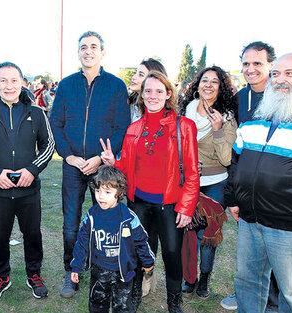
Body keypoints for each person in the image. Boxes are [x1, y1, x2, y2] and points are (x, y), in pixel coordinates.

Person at [225, 52, 292, 313]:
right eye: (277, 73)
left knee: (291, 293)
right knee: (247, 282)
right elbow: (238, 159)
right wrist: (234, 198)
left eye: (290, 73)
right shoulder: (257, 114)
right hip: (250, 220)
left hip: (291, 224)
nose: (280, 80)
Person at [100, 71, 199, 313]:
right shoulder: (134, 128)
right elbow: (127, 168)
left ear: (168, 94)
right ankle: (134, 295)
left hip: (171, 204)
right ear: (141, 96)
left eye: (158, 91)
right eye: (147, 91)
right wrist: (114, 162)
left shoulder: (184, 126)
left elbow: (193, 172)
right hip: (139, 203)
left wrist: (186, 207)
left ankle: (174, 302)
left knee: (172, 255)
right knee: (136, 253)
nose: (152, 95)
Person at [50, 30, 130, 298]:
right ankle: (71, 272)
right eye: (83, 46)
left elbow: (122, 127)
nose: (88, 51)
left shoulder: (116, 86)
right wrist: (69, 156)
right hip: (72, 166)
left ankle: (103, 272)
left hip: (103, 167)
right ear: (79, 52)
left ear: (102, 52)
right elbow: (55, 124)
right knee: (71, 224)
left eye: (93, 46)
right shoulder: (66, 85)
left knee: (105, 222)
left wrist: (98, 158)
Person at [0, 62, 54, 303]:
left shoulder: (36, 113)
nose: (9, 85)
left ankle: (34, 274)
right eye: (3, 80)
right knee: (0, 236)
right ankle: (1, 277)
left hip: (29, 190)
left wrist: (32, 169)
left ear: (22, 82)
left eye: (14, 80)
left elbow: (48, 145)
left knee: (33, 234)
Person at [221, 41, 277, 311]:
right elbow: (236, 148)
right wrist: (233, 194)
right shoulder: (241, 97)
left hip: (277, 188)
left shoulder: (282, 96)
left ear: (270, 65)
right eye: (246, 63)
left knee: (276, 251)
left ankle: (273, 302)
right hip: (247, 186)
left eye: (258, 63)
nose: (251, 69)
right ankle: (246, 296)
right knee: (250, 254)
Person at [178, 66, 237, 298]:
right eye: (205, 80)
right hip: (187, 183)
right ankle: (189, 278)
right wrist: (186, 166)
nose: (209, 85)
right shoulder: (186, 111)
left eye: (215, 81)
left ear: (221, 87)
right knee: (187, 232)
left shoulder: (227, 117)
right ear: (198, 84)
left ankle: (204, 278)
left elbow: (226, 158)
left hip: (215, 184)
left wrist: (218, 129)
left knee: (207, 235)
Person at [70, 165, 155, 313]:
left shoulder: (129, 218)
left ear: (120, 193)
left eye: (107, 192)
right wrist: (76, 266)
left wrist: (148, 262)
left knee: (122, 307)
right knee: (97, 305)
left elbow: (142, 241)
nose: (101, 196)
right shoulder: (91, 216)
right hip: (99, 271)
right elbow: (82, 242)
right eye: (98, 191)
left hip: (124, 273)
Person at [128, 58, 167, 122]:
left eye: (141, 75)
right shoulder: (129, 103)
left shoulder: (161, 111)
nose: (133, 77)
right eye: (135, 73)